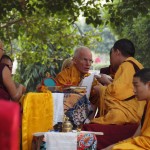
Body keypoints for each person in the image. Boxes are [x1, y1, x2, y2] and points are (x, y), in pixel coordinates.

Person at [90, 39, 145, 125]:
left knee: (93, 124)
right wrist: (108, 81)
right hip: (136, 110)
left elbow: (117, 92)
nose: (111, 60)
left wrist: (100, 89)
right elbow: (127, 89)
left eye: (111, 55)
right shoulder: (137, 64)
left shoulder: (127, 65)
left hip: (129, 113)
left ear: (117, 52)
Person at [111, 68, 150, 150]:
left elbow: (147, 141)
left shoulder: (126, 66)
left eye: (136, 85)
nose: (134, 90)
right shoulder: (147, 105)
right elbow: (136, 136)